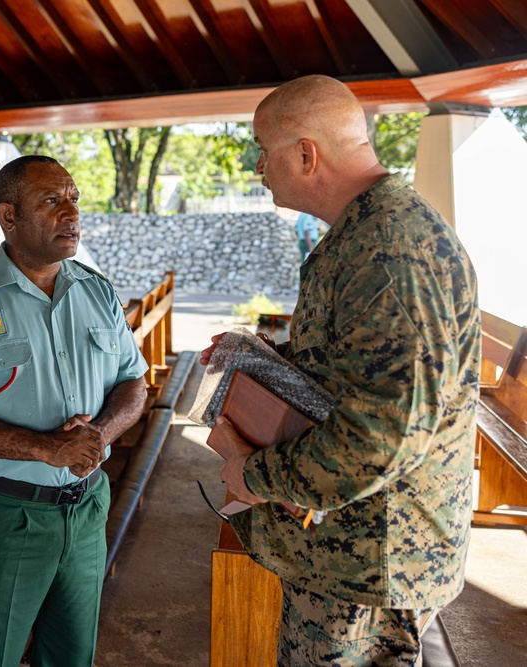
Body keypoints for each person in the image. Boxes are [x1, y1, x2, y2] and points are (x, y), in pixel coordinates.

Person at [202, 75, 480, 666]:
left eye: (263, 149)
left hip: (370, 558)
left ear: (305, 153)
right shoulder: (368, 233)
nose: (257, 166)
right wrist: (256, 353)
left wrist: (254, 477)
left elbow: (380, 441)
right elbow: (349, 371)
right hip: (353, 550)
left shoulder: (389, 253)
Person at [0, 155, 148, 667]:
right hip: (7, 513)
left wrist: (99, 436)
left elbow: (135, 382)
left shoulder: (96, 290)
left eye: (73, 200)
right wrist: (48, 448)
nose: (71, 213)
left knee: (71, 654)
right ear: (8, 216)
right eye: (51, 201)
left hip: (86, 508)